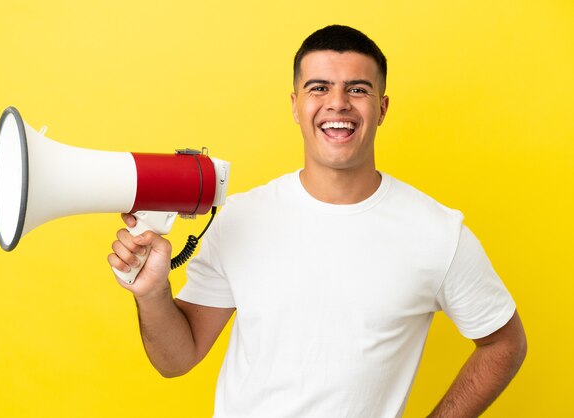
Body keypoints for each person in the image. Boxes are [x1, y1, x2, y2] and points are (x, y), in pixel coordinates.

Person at [108, 25, 527, 418]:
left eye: (357, 89)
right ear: (296, 105)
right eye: (319, 87)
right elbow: (177, 359)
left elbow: (505, 343)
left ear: (381, 109)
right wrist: (152, 293)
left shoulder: (439, 233)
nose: (338, 102)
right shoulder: (240, 217)